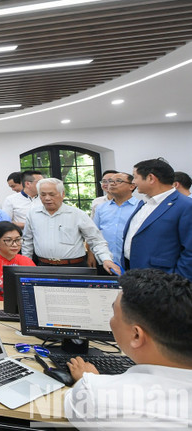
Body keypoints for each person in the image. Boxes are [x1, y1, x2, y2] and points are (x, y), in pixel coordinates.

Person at [64, 269, 192, 429]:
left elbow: (73, 404)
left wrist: (89, 379)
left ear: (136, 335)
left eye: (114, 313)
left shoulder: (95, 395)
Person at [22, 178, 120, 274]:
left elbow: (96, 240)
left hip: (74, 267)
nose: (47, 198)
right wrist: (25, 266)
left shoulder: (77, 214)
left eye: (52, 194)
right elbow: (27, 242)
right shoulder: (33, 214)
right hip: (43, 266)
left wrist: (106, 259)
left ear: (62, 194)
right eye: (43, 195)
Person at [123, 158, 192, 279]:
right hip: (135, 277)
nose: (133, 182)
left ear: (150, 178)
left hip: (164, 281)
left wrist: (178, 282)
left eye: (135, 177)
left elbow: (190, 251)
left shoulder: (185, 206)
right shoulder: (144, 203)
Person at [93, 173, 139, 268]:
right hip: (106, 261)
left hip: (131, 261)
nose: (112, 184)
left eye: (118, 181)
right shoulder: (101, 208)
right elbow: (94, 235)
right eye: (110, 181)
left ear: (132, 186)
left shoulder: (140, 207)